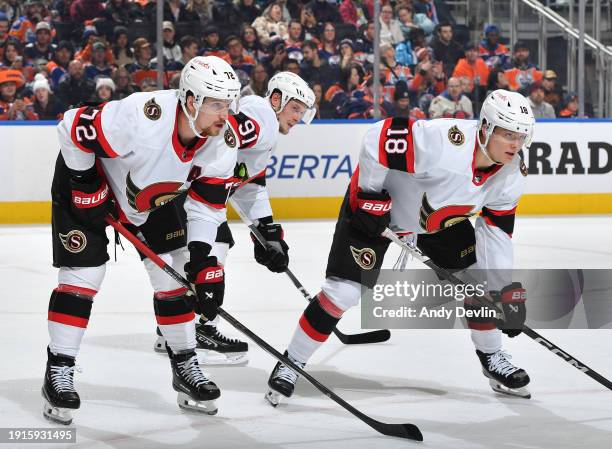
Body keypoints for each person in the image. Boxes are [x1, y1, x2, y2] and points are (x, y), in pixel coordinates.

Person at [265, 89, 535, 405]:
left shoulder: (512, 174)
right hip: (378, 212)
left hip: (435, 221)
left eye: (521, 136)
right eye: (508, 135)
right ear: (486, 128)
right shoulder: (445, 143)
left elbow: (497, 234)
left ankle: (492, 357)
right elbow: (377, 138)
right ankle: (291, 362)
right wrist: (368, 196)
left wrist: (501, 292)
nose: (515, 144)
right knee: (343, 293)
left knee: (478, 283)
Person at [42, 56, 242, 425]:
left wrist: (202, 259)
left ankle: (185, 365)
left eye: (228, 104)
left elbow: (208, 207)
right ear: (191, 100)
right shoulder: (142, 116)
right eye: (216, 104)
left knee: (175, 278)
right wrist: (86, 184)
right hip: (89, 181)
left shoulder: (222, 141)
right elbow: (71, 125)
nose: (224, 114)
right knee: (84, 277)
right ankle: (60, 368)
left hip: (156, 196)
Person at [154, 71, 316, 364]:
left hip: (185, 192)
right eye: (294, 109)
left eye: (301, 113)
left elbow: (250, 182)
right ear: (276, 99)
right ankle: (201, 329)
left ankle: (176, 328)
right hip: (190, 194)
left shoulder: (266, 125)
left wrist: (266, 230)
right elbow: (227, 133)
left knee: (209, 250)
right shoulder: (263, 118)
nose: (296, 117)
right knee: (211, 253)